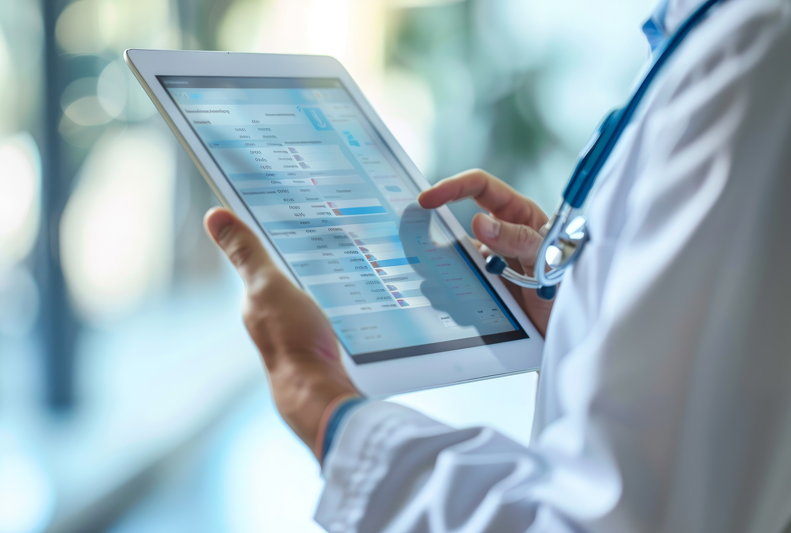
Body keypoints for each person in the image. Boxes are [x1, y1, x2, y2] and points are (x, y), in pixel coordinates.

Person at [203, 0, 791, 530]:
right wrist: (576, 301)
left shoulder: (752, 52)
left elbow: (605, 520)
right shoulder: (717, 37)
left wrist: (327, 410)